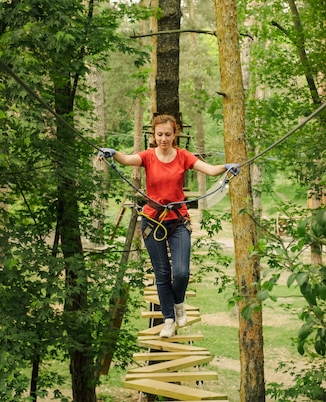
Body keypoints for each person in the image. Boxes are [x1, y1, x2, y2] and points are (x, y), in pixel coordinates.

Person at [98, 114, 239, 338]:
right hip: (153, 221)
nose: (164, 139)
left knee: (181, 272)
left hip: (178, 221)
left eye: (168, 134)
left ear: (175, 135)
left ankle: (178, 302)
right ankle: (169, 320)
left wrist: (226, 167)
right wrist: (113, 153)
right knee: (162, 273)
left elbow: (210, 169)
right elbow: (126, 159)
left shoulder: (183, 156)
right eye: (160, 134)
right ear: (154, 136)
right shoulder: (148, 156)